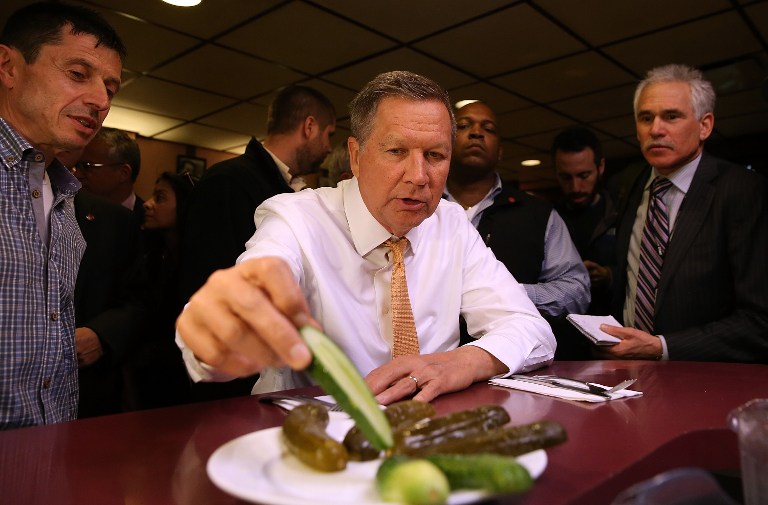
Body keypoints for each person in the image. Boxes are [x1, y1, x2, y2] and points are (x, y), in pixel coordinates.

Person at [175, 71, 556, 405]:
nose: (419, 176)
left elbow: (532, 330)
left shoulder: (451, 224)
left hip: (431, 432)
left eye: (436, 155)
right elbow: (254, 287)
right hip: (317, 444)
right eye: (396, 151)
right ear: (355, 157)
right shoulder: (297, 219)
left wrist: (460, 362)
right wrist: (225, 328)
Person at [0, 2, 125, 428]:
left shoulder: (63, 195)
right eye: (77, 74)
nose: (100, 100)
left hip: (51, 451)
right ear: (8, 67)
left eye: (111, 87)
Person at [600, 64, 768, 362]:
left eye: (671, 116)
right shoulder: (628, 186)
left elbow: (760, 320)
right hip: (629, 372)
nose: (656, 129)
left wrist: (662, 346)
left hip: (705, 377)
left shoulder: (741, 190)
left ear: (705, 125)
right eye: (646, 118)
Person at [180, 84, 336, 400]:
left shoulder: (296, 191)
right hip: (230, 379)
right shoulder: (228, 181)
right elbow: (206, 281)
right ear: (309, 127)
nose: (328, 147)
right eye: (329, 134)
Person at [443, 101, 590, 359]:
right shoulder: (421, 208)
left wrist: (506, 293)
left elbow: (576, 289)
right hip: (431, 363)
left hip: (516, 365)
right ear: (445, 142)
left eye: (487, 128)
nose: (476, 132)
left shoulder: (538, 213)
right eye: (464, 125)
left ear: (500, 152)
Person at [123, 172, 196, 409]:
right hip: (146, 375)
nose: (148, 204)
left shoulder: (194, 265)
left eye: (160, 197)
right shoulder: (150, 254)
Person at [73, 190, 147, 418]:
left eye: (90, 165)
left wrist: (101, 334)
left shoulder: (115, 219)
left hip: (87, 390)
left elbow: (141, 298)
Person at [552, 126, 618, 315]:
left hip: (612, 321)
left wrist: (609, 275)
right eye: (566, 177)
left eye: (584, 176)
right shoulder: (547, 221)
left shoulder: (622, 215)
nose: (576, 187)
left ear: (601, 167)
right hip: (564, 328)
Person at [73, 126, 144, 221]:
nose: (76, 174)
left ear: (124, 173)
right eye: (77, 166)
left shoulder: (149, 220)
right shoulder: (73, 211)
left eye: (87, 166)